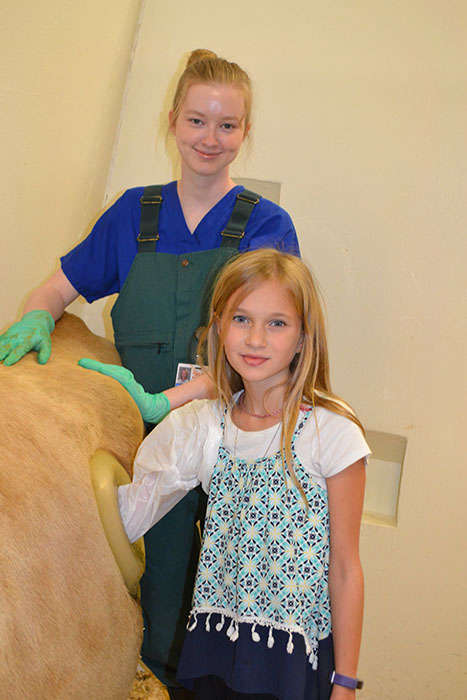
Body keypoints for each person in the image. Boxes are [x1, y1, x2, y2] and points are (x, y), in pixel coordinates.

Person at [0, 51, 300, 697]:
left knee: (236, 622)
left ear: (244, 131)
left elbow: (272, 354)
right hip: (151, 447)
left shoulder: (267, 228)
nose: (208, 139)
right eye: (196, 120)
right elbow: (55, 289)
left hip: (238, 445)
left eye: (226, 126)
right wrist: (34, 319)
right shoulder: (133, 216)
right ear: (172, 121)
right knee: (157, 610)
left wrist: (176, 399)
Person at [84, 249, 369, 699]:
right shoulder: (202, 427)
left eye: (277, 323)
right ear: (218, 325)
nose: (256, 338)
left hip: (294, 658)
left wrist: (346, 682)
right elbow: (126, 516)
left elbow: (346, 569)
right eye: (241, 319)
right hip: (217, 645)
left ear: (302, 337)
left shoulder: (332, 433)